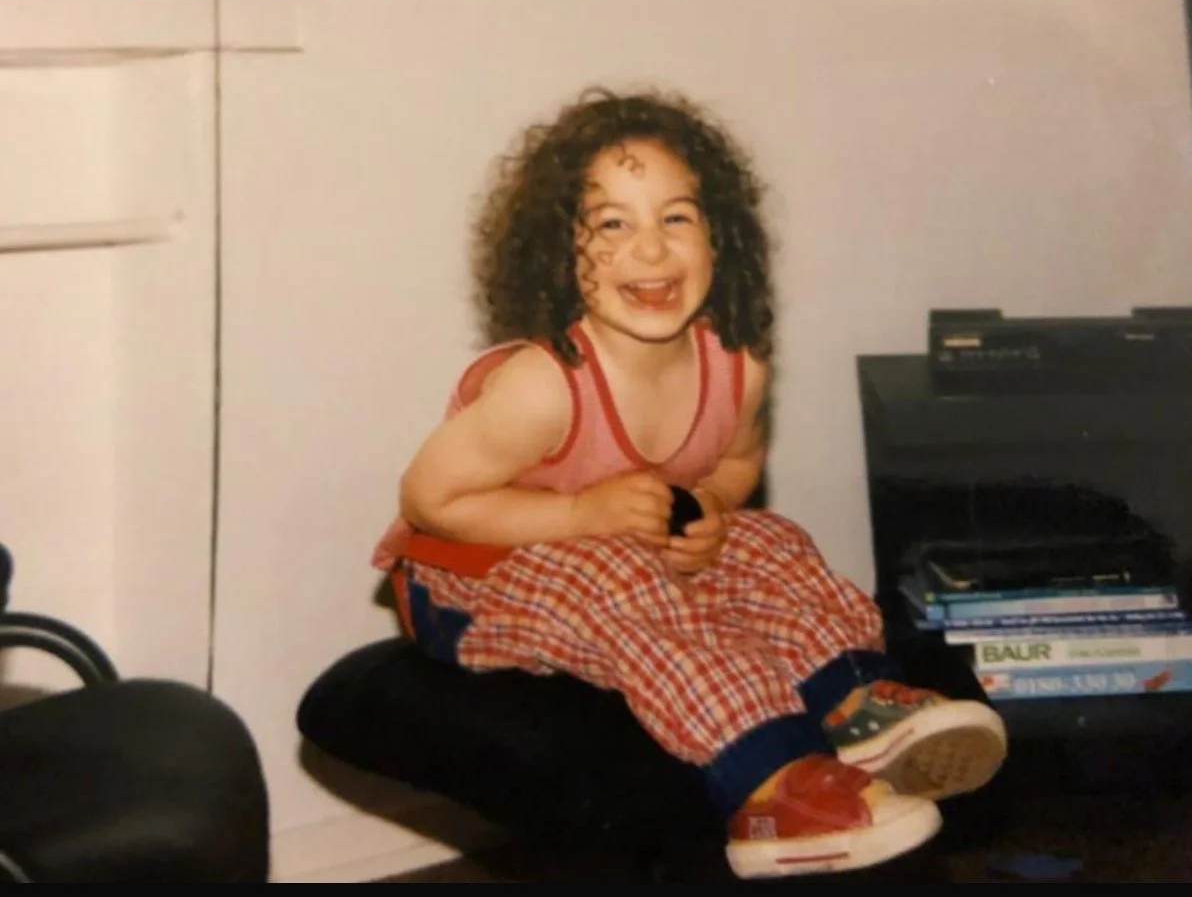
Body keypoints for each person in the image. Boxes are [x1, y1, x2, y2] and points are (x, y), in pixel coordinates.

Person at [371, 86, 1007, 879]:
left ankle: (857, 703)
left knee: (771, 541)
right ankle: (773, 785)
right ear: (556, 254)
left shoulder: (734, 368)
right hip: (471, 572)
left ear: (720, 241)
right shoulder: (543, 386)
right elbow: (430, 502)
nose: (650, 249)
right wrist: (578, 514)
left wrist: (710, 507)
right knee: (618, 571)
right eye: (612, 224)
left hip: (624, 545)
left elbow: (735, 464)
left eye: (676, 218)